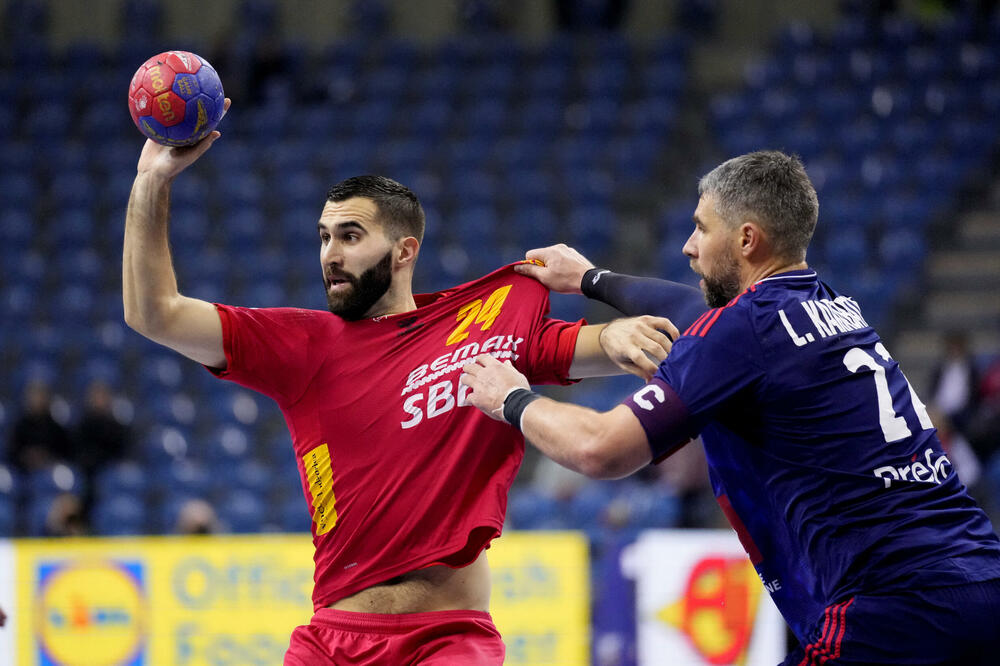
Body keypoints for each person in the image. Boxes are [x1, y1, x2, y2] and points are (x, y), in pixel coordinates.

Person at [121, 104, 674, 665]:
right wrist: (151, 180)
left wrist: (617, 333)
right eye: (324, 237)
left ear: (405, 250)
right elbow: (155, 313)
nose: (331, 255)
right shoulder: (301, 345)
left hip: (446, 641)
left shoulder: (483, 335)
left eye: (350, 236)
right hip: (331, 640)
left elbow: (593, 346)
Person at [460, 151, 1000, 665]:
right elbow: (690, 307)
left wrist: (512, 397)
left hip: (895, 607)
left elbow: (601, 450)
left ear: (746, 239)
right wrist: (590, 279)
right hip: (981, 579)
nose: (688, 247)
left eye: (701, 227)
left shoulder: (744, 332)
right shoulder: (831, 303)